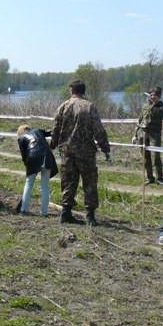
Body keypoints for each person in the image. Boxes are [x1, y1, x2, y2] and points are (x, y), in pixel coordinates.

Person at [50, 80, 110, 226]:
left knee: (68, 182)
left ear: (72, 91)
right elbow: (98, 130)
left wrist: (52, 145)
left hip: (67, 151)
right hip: (85, 152)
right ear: (83, 91)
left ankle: (66, 212)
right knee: (89, 182)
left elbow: (56, 129)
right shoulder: (89, 107)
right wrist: (105, 148)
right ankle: (90, 216)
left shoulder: (63, 107)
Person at [17, 124, 58, 216]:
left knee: (29, 183)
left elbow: (24, 156)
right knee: (45, 186)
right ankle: (44, 212)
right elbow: (50, 133)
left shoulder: (21, 139)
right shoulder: (38, 131)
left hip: (33, 156)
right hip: (47, 157)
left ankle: (24, 209)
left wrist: (28, 167)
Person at [133, 87, 163, 185]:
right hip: (143, 133)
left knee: (156, 156)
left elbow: (157, 113)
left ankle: (159, 178)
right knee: (145, 157)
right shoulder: (145, 106)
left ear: (159, 96)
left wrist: (154, 103)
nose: (153, 97)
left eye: (155, 95)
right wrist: (135, 133)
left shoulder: (162, 107)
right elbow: (140, 119)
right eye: (151, 95)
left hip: (155, 134)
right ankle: (149, 177)